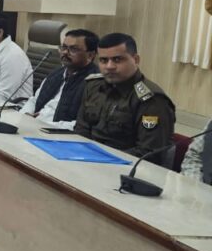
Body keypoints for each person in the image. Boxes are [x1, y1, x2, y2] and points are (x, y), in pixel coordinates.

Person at [75, 33, 176, 162]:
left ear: (136, 60)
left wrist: (100, 159)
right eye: (103, 60)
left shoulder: (151, 99)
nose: (109, 66)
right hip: (85, 160)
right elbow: (81, 131)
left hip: (124, 166)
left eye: (117, 60)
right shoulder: (93, 87)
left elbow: (148, 153)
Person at [20, 29, 99, 130]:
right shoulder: (55, 74)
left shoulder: (95, 83)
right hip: (35, 127)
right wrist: (25, 115)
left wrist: (45, 125)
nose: (65, 52)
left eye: (73, 49)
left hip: (57, 133)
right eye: (64, 47)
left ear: (90, 55)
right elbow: (34, 100)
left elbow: (84, 125)